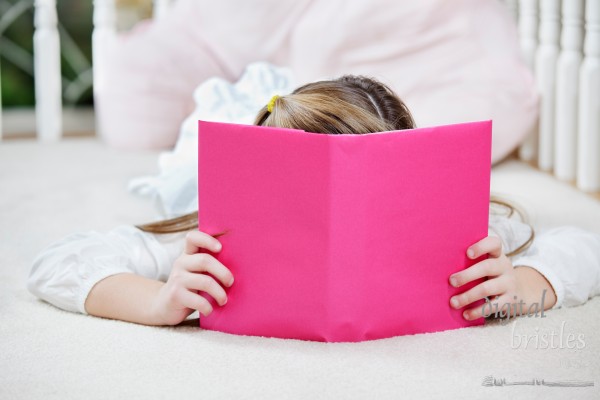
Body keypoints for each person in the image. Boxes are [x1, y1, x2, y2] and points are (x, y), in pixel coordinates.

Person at [27, 75, 600, 327]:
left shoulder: (471, 226)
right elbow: (56, 261)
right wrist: (158, 301)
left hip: (304, 112)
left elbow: (582, 243)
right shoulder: (211, 233)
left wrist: (527, 285)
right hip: (200, 164)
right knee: (184, 159)